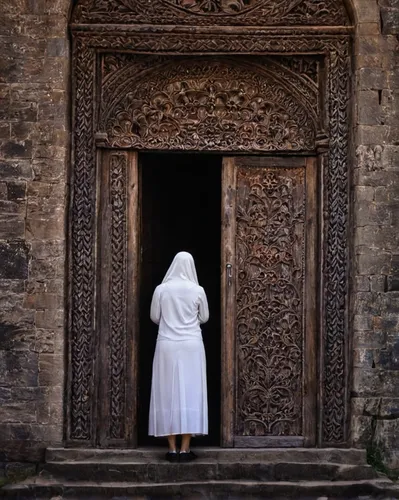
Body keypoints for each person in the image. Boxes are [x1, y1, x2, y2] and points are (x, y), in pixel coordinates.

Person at [148, 251, 209, 462]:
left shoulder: (161, 290)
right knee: (191, 392)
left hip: (166, 344)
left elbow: (155, 317)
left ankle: (171, 449)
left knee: (167, 392)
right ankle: (186, 449)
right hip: (192, 345)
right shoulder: (198, 290)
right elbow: (205, 317)